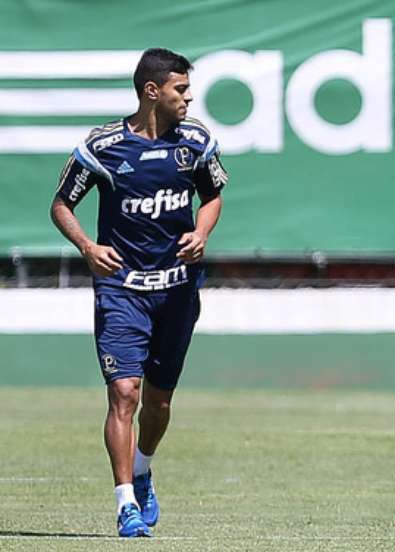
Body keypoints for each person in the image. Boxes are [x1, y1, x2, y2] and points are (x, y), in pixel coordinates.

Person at [51, 48, 227, 537]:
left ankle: (143, 468)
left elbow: (212, 196)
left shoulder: (196, 142)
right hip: (121, 290)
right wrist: (88, 247)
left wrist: (201, 232)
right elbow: (61, 204)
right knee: (124, 392)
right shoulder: (103, 146)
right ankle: (126, 504)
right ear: (152, 91)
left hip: (177, 290)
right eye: (180, 90)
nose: (188, 99)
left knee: (159, 402)